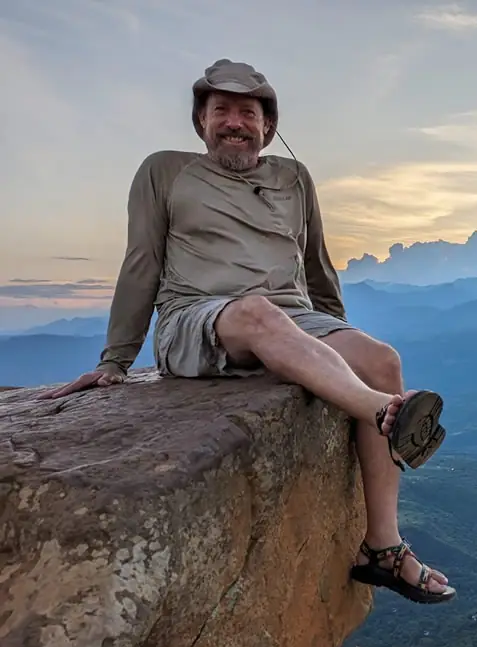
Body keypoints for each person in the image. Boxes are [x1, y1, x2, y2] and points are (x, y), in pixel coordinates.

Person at [37, 58, 455, 605]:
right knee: (259, 312)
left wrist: (338, 338)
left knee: (383, 358)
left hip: (291, 317)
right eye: (222, 111)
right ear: (201, 123)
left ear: (268, 126)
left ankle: (381, 547)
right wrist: (116, 360)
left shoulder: (294, 179)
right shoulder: (164, 171)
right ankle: (383, 411)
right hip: (199, 317)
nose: (234, 122)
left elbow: (317, 267)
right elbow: (142, 262)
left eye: (247, 113)